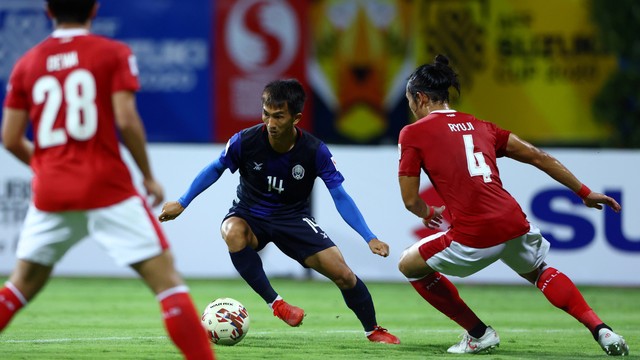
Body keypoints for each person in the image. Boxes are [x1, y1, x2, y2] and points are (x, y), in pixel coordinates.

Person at [0, 1, 215, 359]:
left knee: (20, 285)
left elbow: (9, 138)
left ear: (47, 10)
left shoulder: (27, 63)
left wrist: (48, 167)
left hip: (52, 192)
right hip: (107, 187)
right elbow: (127, 120)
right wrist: (147, 175)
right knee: (167, 284)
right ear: (94, 9)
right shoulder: (112, 53)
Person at [396, 54, 629, 356]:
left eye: (409, 100)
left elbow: (410, 199)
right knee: (539, 271)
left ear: (421, 97)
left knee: (409, 265)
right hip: (512, 221)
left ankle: (478, 333)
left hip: (474, 234)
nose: (410, 108)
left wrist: (427, 213)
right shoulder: (481, 126)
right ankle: (602, 329)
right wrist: (584, 192)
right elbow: (538, 156)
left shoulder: (413, 133)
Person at [158, 79, 400, 344]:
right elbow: (215, 168)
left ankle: (373, 329)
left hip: (293, 218)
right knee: (231, 232)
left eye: (279, 116)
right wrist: (182, 202)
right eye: (266, 114)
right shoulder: (245, 141)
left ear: (296, 118)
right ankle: (277, 304)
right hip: (249, 214)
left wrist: (369, 236)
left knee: (343, 274)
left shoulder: (315, 151)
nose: (270, 123)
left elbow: (340, 196)